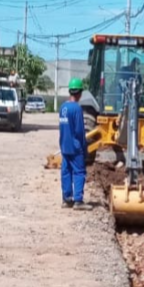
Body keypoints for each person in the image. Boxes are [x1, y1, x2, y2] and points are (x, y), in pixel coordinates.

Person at [59, 78, 89, 210]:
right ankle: (78, 200)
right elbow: (79, 131)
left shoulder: (63, 107)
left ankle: (66, 199)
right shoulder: (76, 109)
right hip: (75, 147)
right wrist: (84, 147)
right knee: (79, 172)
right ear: (80, 93)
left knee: (66, 172)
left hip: (64, 146)